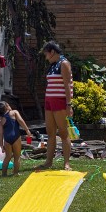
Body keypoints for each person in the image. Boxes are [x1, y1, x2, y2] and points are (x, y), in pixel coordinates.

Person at [40, 41, 74, 171]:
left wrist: (69, 105)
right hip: (49, 101)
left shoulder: (64, 63)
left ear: (52, 52)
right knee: (50, 133)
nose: (46, 57)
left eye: (46, 54)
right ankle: (48, 162)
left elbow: (68, 85)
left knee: (63, 132)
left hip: (60, 102)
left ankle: (66, 163)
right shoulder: (52, 65)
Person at [0, 101, 30, 176]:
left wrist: (1, 145)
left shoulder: (1, 120)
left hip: (7, 140)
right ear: (6, 107)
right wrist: (27, 130)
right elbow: (21, 121)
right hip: (16, 137)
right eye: (9, 104)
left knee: (7, 157)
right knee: (17, 156)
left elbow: (0, 134)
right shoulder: (14, 112)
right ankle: (15, 172)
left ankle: (4, 173)